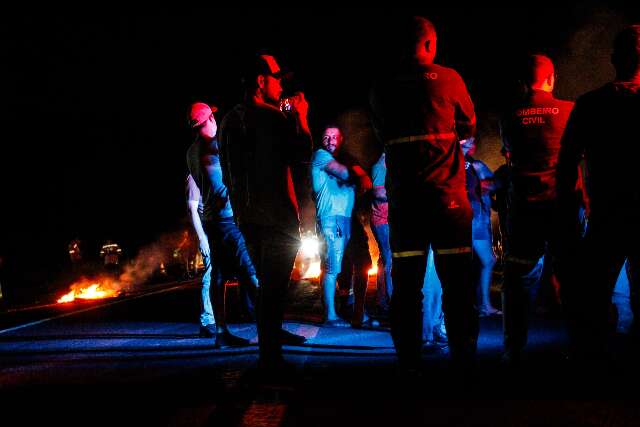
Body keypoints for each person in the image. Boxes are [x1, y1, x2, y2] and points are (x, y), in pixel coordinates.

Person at [370, 16, 479, 371]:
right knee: (458, 287)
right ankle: (463, 362)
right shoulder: (449, 79)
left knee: (407, 289)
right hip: (447, 200)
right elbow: (468, 125)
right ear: (430, 44)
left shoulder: (383, 86)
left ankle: (409, 364)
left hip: (406, 203)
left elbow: (381, 131)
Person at [218, 54, 312, 370]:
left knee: (266, 288)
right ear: (261, 81)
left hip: (247, 217)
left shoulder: (229, 121)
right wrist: (301, 116)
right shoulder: (272, 118)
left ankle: (268, 353)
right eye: (277, 79)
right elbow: (302, 154)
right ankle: (270, 358)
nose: (281, 85)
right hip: (278, 218)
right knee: (274, 289)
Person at [556, 25, 640, 364]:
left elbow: (566, 163)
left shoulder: (591, 104)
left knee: (594, 293)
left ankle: (592, 361)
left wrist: (569, 211)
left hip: (607, 215)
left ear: (613, 58)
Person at [499, 54, 574, 364]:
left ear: (521, 83)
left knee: (517, 279)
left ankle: (512, 349)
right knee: (572, 277)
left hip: (524, 210)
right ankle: (582, 345)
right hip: (562, 207)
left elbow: (509, 156)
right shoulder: (569, 111)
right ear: (551, 78)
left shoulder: (509, 115)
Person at [186, 102, 257, 348]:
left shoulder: (191, 152)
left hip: (212, 220)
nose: (216, 120)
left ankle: (220, 332)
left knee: (218, 275)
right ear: (209, 121)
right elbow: (230, 184)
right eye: (213, 117)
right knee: (252, 270)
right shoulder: (214, 149)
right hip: (228, 218)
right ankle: (271, 329)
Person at [311, 124, 360, 327]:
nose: (330, 140)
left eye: (335, 136)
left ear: (341, 140)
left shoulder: (341, 160)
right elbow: (347, 175)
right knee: (332, 267)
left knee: (340, 267)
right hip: (331, 219)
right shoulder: (321, 155)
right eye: (326, 136)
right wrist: (360, 172)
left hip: (343, 219)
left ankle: (343, 311)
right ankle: (330, 316)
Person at [460, 139, 501, 317]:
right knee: (486, 260)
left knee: (461, 263)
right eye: (470, 142)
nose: (473, 145)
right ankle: (482, 305)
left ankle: (472, 306)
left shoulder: (449, 164)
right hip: (474, 218)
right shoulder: (474, 165)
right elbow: (491, 184)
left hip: (459, 218)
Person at [370, 153, 394, 316]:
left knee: (384, 260)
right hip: (382, 220)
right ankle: (393, 302)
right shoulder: (379, 167)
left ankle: (382, 301)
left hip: (387, 219)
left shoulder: (388, 166)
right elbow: (379, 194)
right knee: (390, 259)